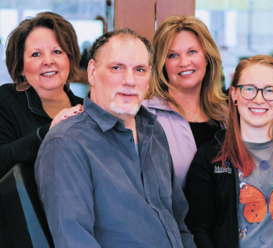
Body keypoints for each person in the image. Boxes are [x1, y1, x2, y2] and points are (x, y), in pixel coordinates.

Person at [35, 28, 196, 248]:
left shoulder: (153, 130)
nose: (129, 80)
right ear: (92, 72)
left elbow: (179, 224)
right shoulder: (66, 143)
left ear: (149, 78)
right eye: (117, 68)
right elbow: (75, 241)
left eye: (139, 69)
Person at [184, 55, 273, 248]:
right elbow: (197, 228)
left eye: (269, 90)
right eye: (249, 89)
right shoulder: (210, 157)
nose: (259, 99)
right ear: (233, 94)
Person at [0, 12, 83, 248]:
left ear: (70, 58)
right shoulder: (6, 101)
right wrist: (48, 132)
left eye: (57, 51)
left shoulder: (87, 109)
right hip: (26, 232)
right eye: (36, 54)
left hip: (82, 229)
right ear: (21, 66)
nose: (49, 61)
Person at [143, 15, 228, 188]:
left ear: (207, 57)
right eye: (173, 55)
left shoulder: (226, 115)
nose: (184, 62)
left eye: (192, 52)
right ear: (162, 64)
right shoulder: (144, 115)